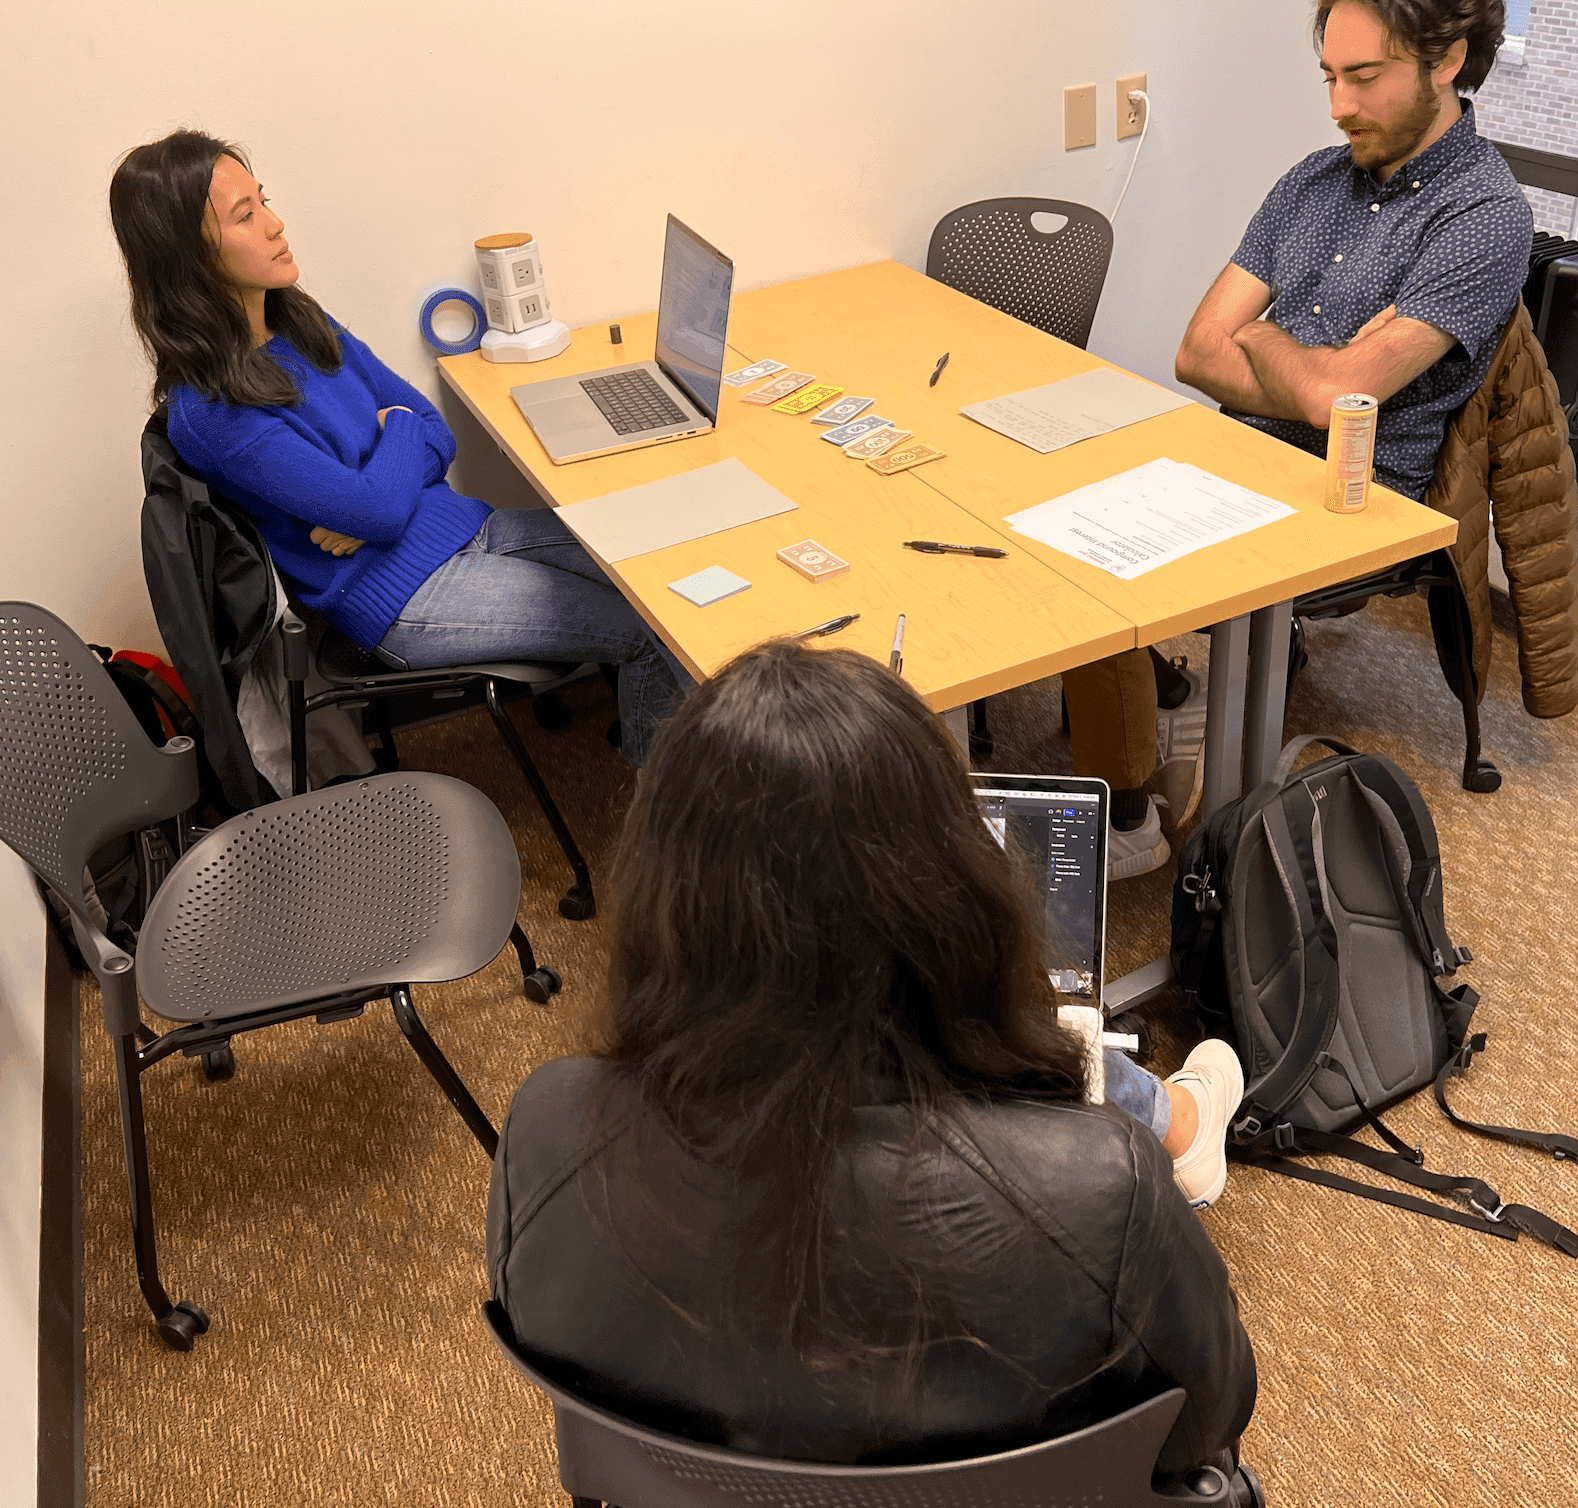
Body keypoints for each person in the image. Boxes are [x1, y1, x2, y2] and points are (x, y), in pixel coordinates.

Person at [488, 639, 1255, 1476]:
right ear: (955, 894)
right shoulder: (1106, 1184)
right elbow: (1211, 1415)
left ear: (664, 894)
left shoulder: (546, 1133)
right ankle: (1182, 1117)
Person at [1068, 0, 1533, 876]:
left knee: (1100, 557)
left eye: (1365, 77)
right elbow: (1196, 352)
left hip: (1350, 497)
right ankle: (1164, 701)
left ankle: (1130, 817)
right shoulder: (1313, 181)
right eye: (1330, 76)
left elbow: (1330, 404)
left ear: (1447, 62)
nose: (1338, 105)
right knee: (1058, 502)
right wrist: (1316, 369)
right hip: (1238, 456)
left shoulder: (1483, 216)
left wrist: (1266, 342)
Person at [108, 130, 686, 767]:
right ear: (186, 257)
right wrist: (393, 448)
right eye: (245, 215)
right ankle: (674, 818)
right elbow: (384, 501)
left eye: (263, 201)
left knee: (661, 576)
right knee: (646, 630)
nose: (275, 224)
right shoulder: (212, 412)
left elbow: (432, 433)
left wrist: (383, 478)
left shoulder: (301, 323)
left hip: (467, 529)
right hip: (404, 594)